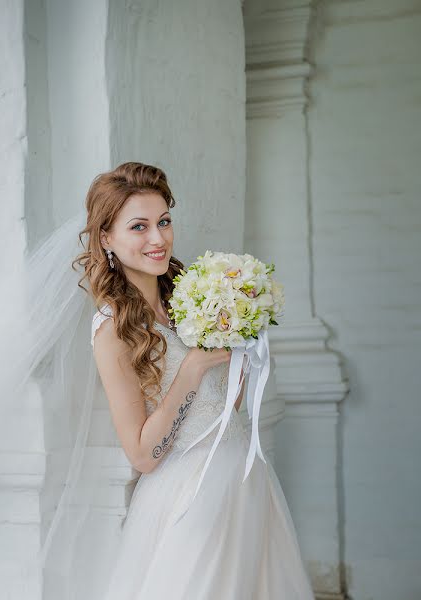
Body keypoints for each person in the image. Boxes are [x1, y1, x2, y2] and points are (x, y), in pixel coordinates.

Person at [75, 162, 315, 599]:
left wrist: (243, 339)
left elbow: (229, 406)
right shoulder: (111, 328)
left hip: (245, 476)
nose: (158, 238)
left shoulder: (192, 299)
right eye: (139, 226)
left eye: (164, 221)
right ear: (106, 238)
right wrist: (190, 371)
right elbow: (144, 455)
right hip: (190, 494)